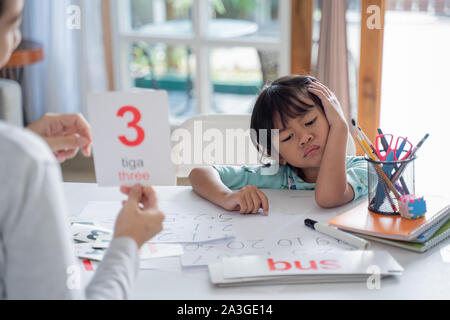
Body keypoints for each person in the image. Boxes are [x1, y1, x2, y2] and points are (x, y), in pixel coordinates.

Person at [0, 0, 165, 299]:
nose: (15, 39)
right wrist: (127, 243)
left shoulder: (19, 157)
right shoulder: (24, 162)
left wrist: (22, 143)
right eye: (13, 23)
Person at [189, 75, 368, 214]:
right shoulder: (276, 176)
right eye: (288, 137)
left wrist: (341, 126)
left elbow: (329, 197)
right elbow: (199, 173)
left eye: (310, 122)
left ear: (330, 118)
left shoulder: (365, 168)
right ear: (278, 155)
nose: (304, 137)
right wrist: (227, 197)